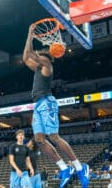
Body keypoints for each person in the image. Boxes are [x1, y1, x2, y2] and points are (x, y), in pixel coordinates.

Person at [23, 24, 89, 188]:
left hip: (47, 102)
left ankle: (80, 167)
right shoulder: (38, 68)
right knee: (39, 140)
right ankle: (64, 168)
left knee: (53, 137)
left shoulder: (46, 63)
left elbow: (31, 53)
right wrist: (28, 36)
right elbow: (25, 57)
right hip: (37, 105)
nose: (38, 53)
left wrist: (31, 34)